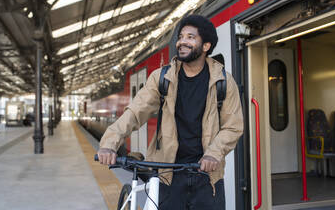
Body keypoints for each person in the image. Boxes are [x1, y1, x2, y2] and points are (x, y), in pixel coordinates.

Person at [97, 15, 243, 209]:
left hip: (207, 177)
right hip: (168, 176)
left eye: (190, 37)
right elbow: (135, 112)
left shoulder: (224, 81)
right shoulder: (162, 78)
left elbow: (233, 126)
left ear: (206, 46)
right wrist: (109, 144)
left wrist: (213, 154)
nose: (182, 41)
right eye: (181, 36)